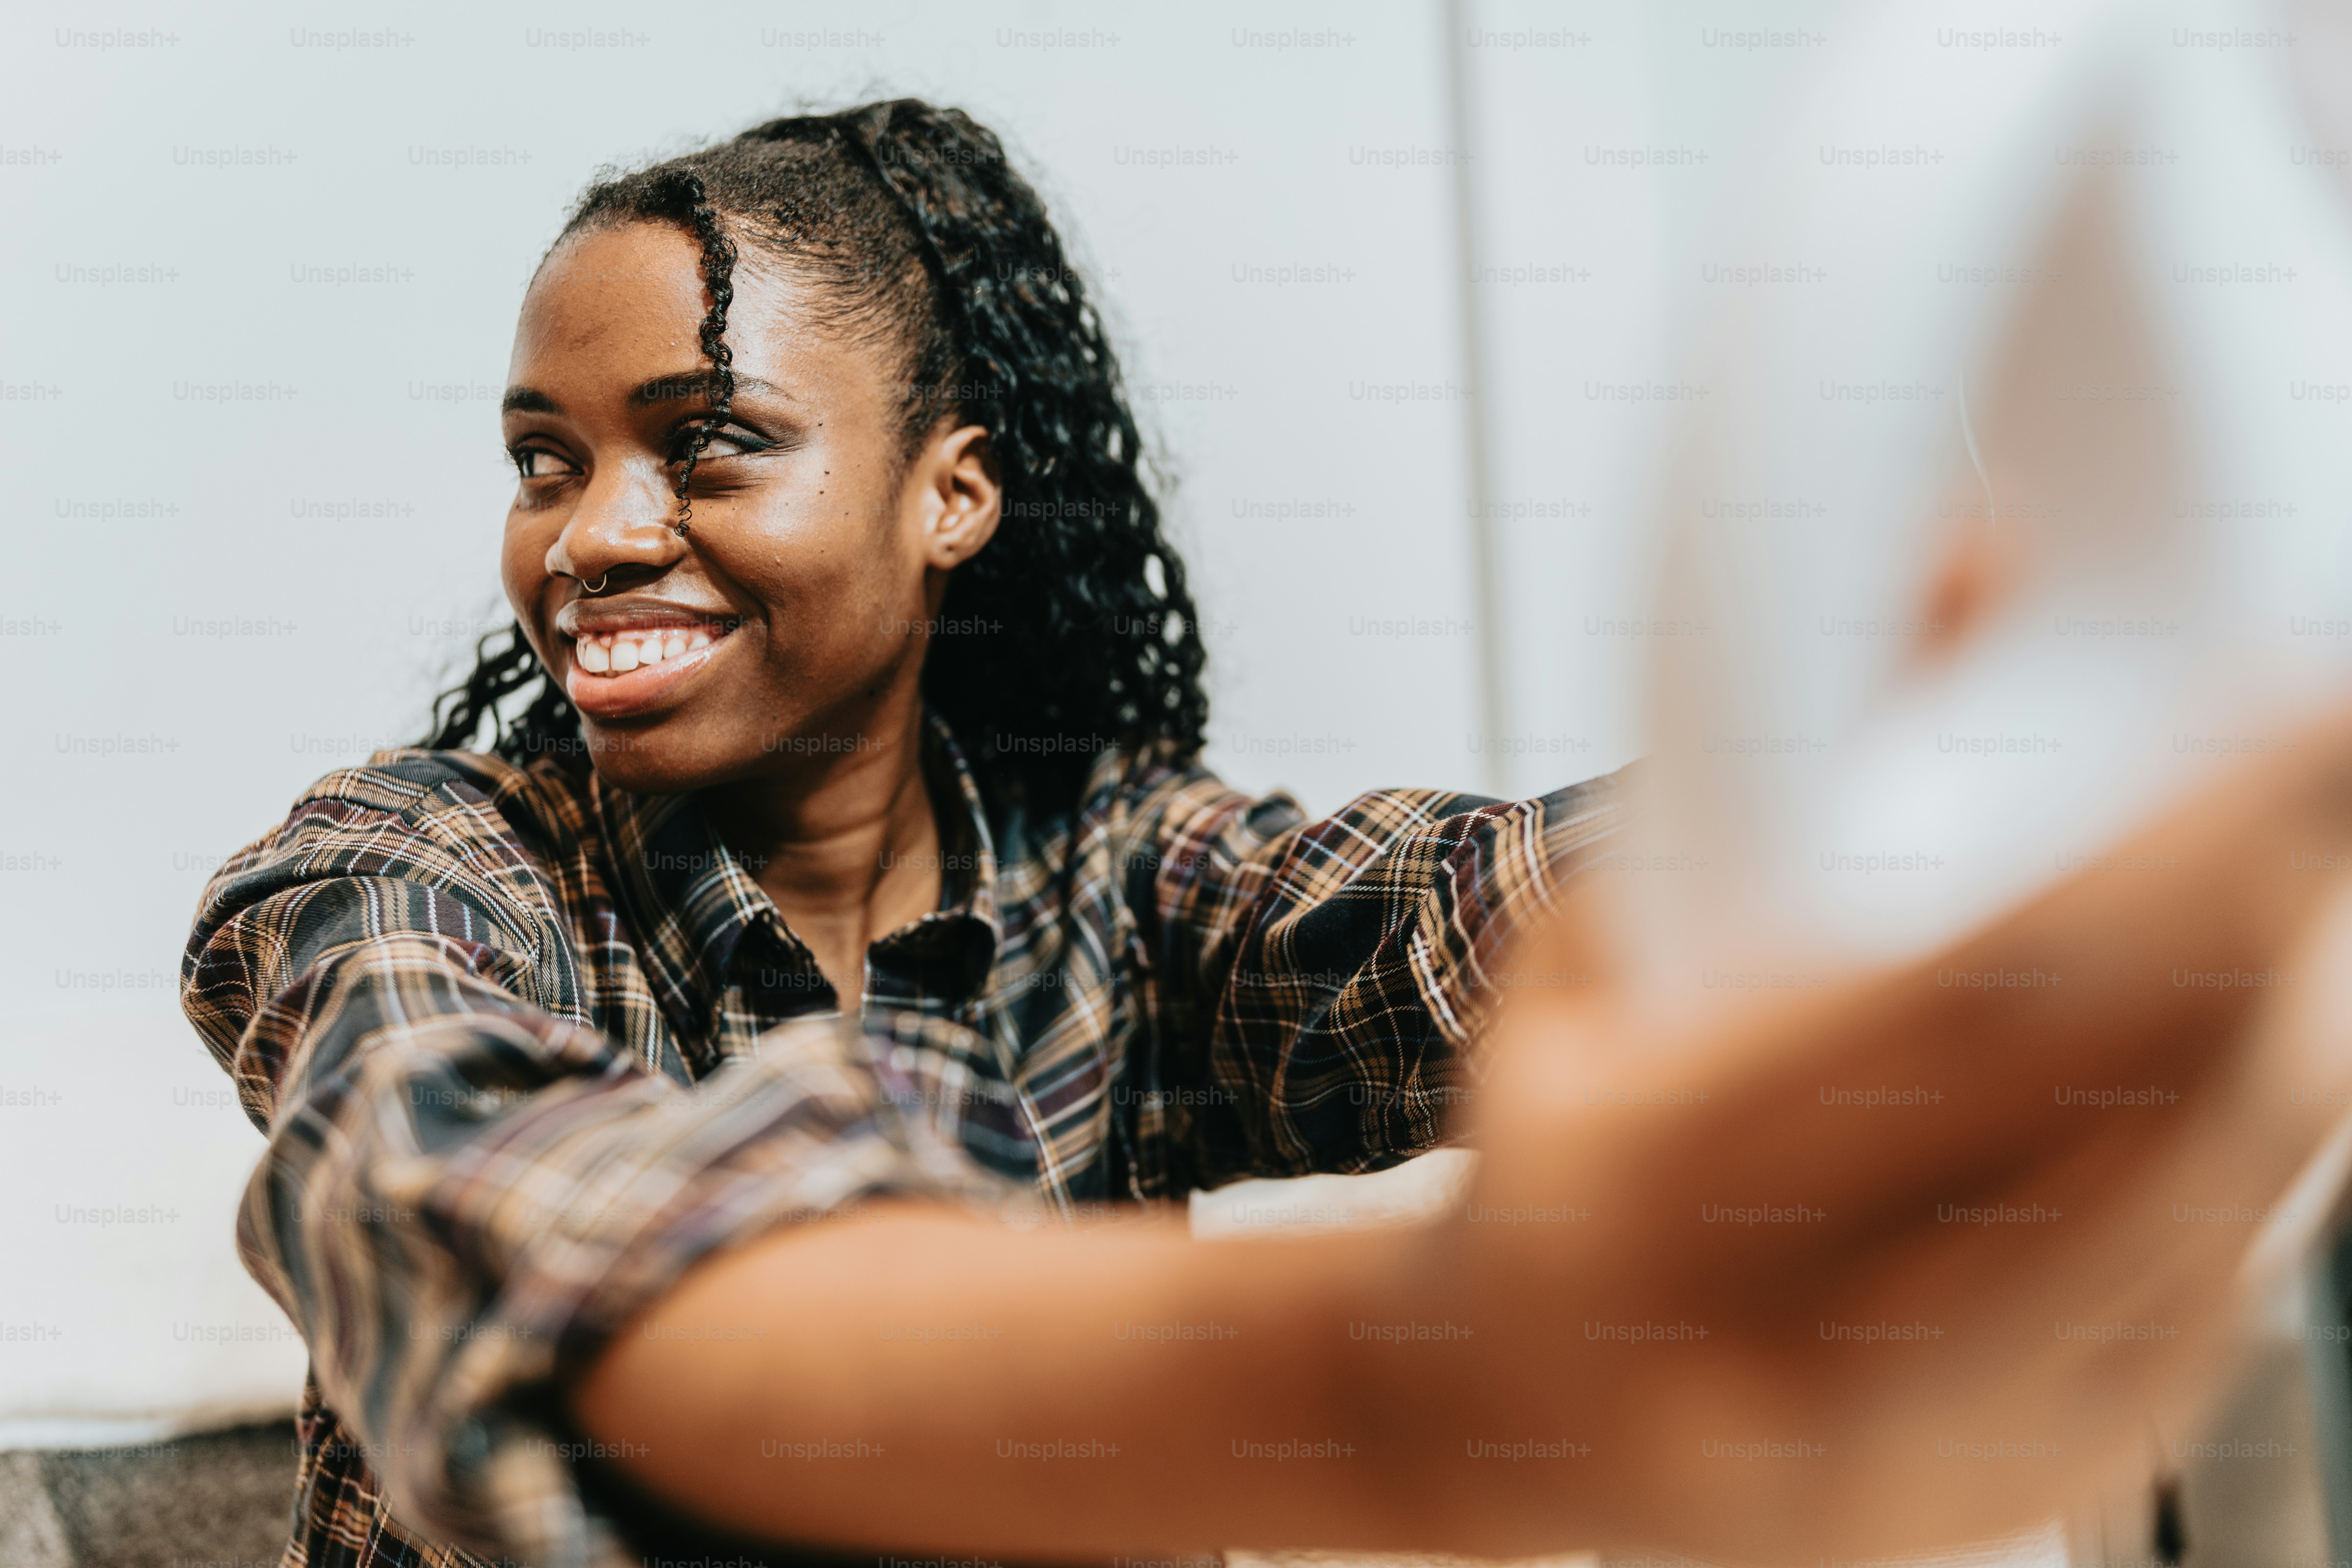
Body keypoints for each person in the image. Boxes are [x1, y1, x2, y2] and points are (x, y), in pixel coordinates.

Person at [182, 98, 2352, 1568]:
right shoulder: (403, 871)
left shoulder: (1116, 885)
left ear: (953, 492)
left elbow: (1446, 913)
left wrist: (1970, 795)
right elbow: (469, 1203)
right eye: (544, 460)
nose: (594, 536)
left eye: (708, 441)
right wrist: (1415, 1384)